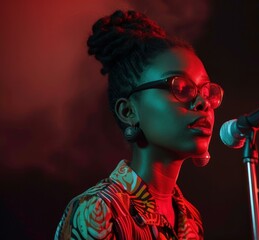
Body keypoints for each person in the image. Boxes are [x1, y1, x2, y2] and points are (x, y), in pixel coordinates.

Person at [55, 9, 223, 240]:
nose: (203, 102)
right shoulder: (98, 211)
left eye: (206, 91)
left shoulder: (190, 219)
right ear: (128, 111)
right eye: (181, 87)